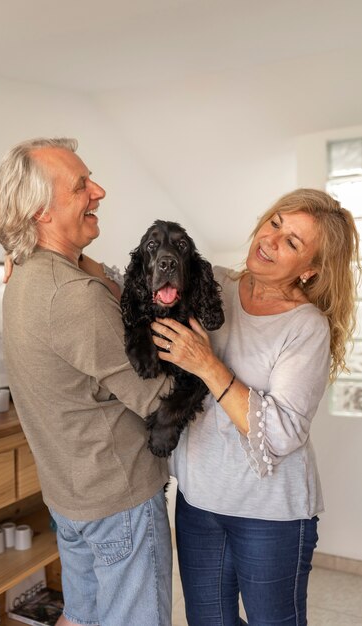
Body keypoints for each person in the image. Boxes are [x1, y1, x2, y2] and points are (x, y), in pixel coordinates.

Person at [150, 188, 361, 626]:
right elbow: (137, 282)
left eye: (292, 242)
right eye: (276, 223)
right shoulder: (214, 284)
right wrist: (47, 260)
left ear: (310, 270)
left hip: (271, 518)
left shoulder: (306, 328)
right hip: (199, 506)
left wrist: (208, 364)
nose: (270, 239)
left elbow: (281, 433)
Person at [0, 137, 173, 626]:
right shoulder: (74, 296)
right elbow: (157, 400)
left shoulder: (22, 275)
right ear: (41, 212)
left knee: (82, 618)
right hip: (118, 503)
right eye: (80, 186)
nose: (99, 191)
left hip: (70, 500)